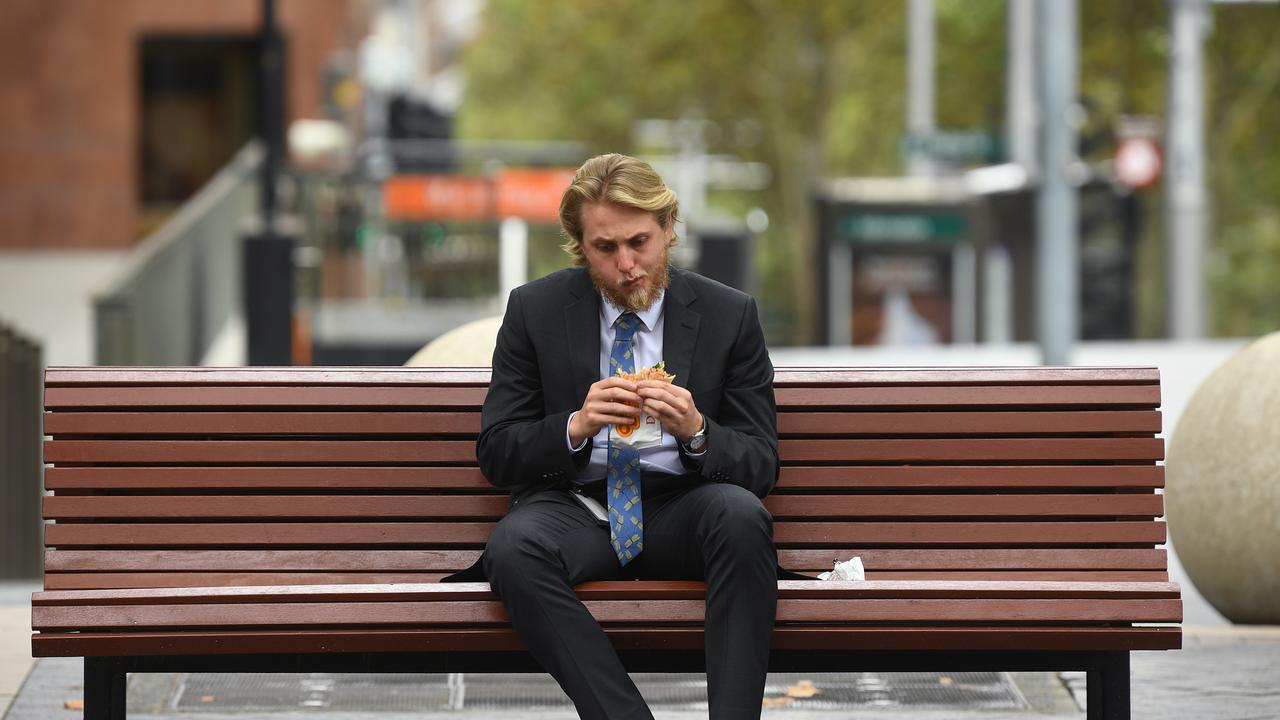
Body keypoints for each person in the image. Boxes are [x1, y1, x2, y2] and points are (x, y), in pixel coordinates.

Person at [467, 153, 779, 720]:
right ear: (580, 246)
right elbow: (497, 450)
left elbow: (760, 463)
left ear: (668, 229)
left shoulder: (728, 314)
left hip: (682, 506)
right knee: (512, 549)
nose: (627, 264)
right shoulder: (533, 310)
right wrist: (576, 425)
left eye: (640, 242)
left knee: (742, 517)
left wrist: (698, 431)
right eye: (605, 248)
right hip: (578, 507)